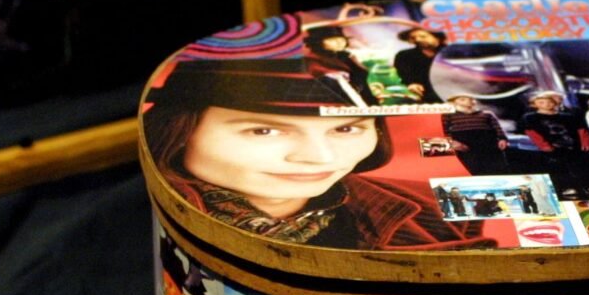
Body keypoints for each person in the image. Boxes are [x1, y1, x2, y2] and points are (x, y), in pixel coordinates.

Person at [142, 59, 496, 250]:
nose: (319, 157)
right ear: (179, 130)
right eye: (263, 131)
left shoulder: (435, 203)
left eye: (346, 129)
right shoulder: (158, 211)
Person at [521, 91, 589, 198]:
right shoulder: (530, 117)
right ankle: (567, 187)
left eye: (549, 102)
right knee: (560, 168)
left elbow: (581, 129)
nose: (547, 104)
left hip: (574, 146)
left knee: (582, 166)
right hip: (553, 147)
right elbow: (531, 132)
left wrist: (586, 142)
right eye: (541, 102)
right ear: (534, 105)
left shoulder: (568, 116)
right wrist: (544, 145)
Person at [442, 95, 514, 175]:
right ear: (454, 103)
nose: (468, 101)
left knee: (494, 168)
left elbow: (497, 128)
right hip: (463, 144)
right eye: (462, 99)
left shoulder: (487, 114)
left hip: (487, 144)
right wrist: (452, 143)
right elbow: (444, 130)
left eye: (470, 99)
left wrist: (502, 139)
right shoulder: (448, 115)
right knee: (470, 168)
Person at [303, 26, 374, 104]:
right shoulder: (313, 60)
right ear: (318, 42)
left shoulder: (345, 57)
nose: (339, 42)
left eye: (341, 39)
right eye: (332, 40)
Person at [392, 27, 448, 102]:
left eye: (423, 36)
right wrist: (411, 84)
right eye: (413, 38)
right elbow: (403, 74)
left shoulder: (452, 53)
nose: (418, 40)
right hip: (420, 95)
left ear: (437, 38)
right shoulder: (404, 55)